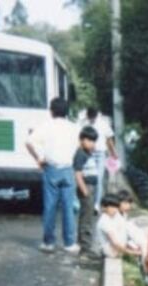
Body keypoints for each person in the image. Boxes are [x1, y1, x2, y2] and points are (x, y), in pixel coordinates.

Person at [26, 97, 80, 253]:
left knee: (50, 207)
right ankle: (69, 243)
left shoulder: (46, 126)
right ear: (67, 112)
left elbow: (29, 142)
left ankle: (49, 242)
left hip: (51, 169)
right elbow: (78, 146)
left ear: (51, 111)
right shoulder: (74, 127)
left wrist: (39, 158)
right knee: (68, 207)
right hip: (68, 169)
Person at [78, 107, 118, 211]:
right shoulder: (83, 123)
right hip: (87, 154)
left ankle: (96, 204)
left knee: (99, 179)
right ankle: (86, 200)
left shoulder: (103, 124)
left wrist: (113, 153)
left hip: (100, 154)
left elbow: (109, 140)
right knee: (87, 177)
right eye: (90, 118)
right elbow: (79, 139)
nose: (92, 120)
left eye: (93, 118)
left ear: (96, 115)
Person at [117, 189, 148, 285]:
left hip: (126, 239)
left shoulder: (123, 215)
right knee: (143, 246)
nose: (128, 206)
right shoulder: (117, 216)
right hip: (120, 242)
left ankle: (146, 273)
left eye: (129, 203)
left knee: (143, 243)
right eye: (125, 203)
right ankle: (145, 275)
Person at [73, 126, 99, 254]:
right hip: (86, 187)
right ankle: (86, 246)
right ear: (82, 140)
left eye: (94, 141)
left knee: (87, 215)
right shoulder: (80, 154)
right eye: (89, 141)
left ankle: (82, 242)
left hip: (91, 187)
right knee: (87, 217)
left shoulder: (88, 153)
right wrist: (84, 190)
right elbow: (77, 174)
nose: (92, 144)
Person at [96, 193, 140, 259]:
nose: (115, 210)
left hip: (114, 250)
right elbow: (115, 243)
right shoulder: (104, 221)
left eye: (116, 207)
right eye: (112, 207)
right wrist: (132, 252)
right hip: (111, 252)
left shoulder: (110, 218)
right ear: (104, 207)